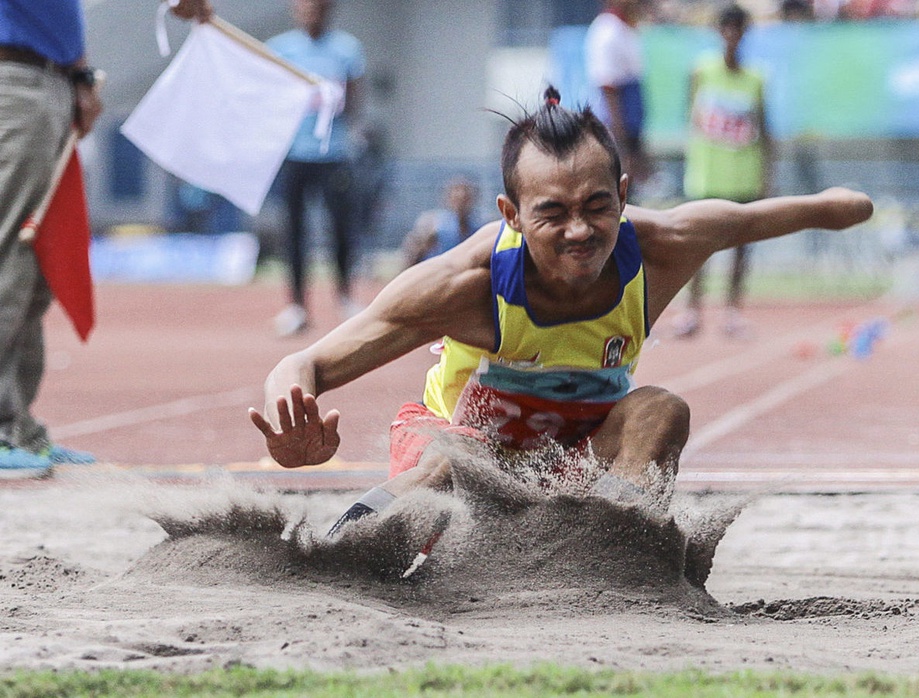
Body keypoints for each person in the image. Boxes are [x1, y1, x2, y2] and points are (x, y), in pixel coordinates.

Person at [248, 87, 872, 579]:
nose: (580, 231)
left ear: (624, 196)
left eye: (597, 206)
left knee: (660, 410)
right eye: (552, 213)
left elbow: (761, 217)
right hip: (450, 453)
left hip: (570, 464)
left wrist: (846, 205)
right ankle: (338, 558)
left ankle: (604, 561)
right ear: (511, 214)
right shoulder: (464, 284)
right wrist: (288, 423)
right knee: (455, 459)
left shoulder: (662, 249)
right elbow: (304, 366)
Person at [0, 0, 107, 476]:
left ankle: (18, 427)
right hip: (14, 77)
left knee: (34, 265)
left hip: (45, 78)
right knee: (11, 259)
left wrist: (78, 77)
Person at [670, 5, 772, 340]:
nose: (731, 34)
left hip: (742, 174)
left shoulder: (755, 78)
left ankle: (731, 310)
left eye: (737, 28)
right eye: (726, 27)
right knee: (697, 246)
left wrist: (766, 175)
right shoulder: (701, 71)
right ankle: (692, 311)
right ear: (718, 31)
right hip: (706, 176)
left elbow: (765, 128)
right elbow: (691, 118)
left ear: (744, 33)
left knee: (741, 247)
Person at [266, 0, 367, 337]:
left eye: (318, 7)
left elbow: (354, 97)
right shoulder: (281, 49)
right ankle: (296, 306)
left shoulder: (347, 49)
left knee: (340, 228)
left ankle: (344, 297)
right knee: (294, 232)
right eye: (305, 7)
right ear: (296, 9)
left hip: (333, 153)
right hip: (294, 153)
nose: (311, 13)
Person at [584, 0, 651, 193]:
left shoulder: (626, 28)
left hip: (630, 127)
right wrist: (621, 143)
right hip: (616, 128)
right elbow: (608, 87)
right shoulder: (607, 30)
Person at [401, 177, 479, 267]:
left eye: (466, 198)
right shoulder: (432, 223)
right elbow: (412, 255)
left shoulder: (477, 229)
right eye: (456, 198)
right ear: (447, 198)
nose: (461, 201)